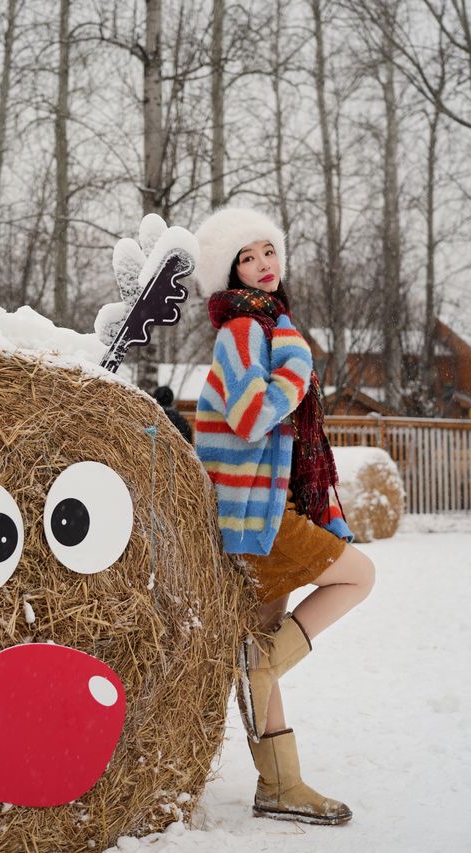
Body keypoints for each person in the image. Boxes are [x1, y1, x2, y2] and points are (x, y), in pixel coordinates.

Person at [193, 207, 375, 826]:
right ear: (231, 273)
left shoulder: (268, 325)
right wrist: (297, 374)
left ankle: (279, 785)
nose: (264, 264)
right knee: (359, 576)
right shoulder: (244, 330)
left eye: (268, 250)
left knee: (257, 635)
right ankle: (263, 662)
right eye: (248, 257)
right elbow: (248, 416)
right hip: (259, 514)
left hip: (266, 506)